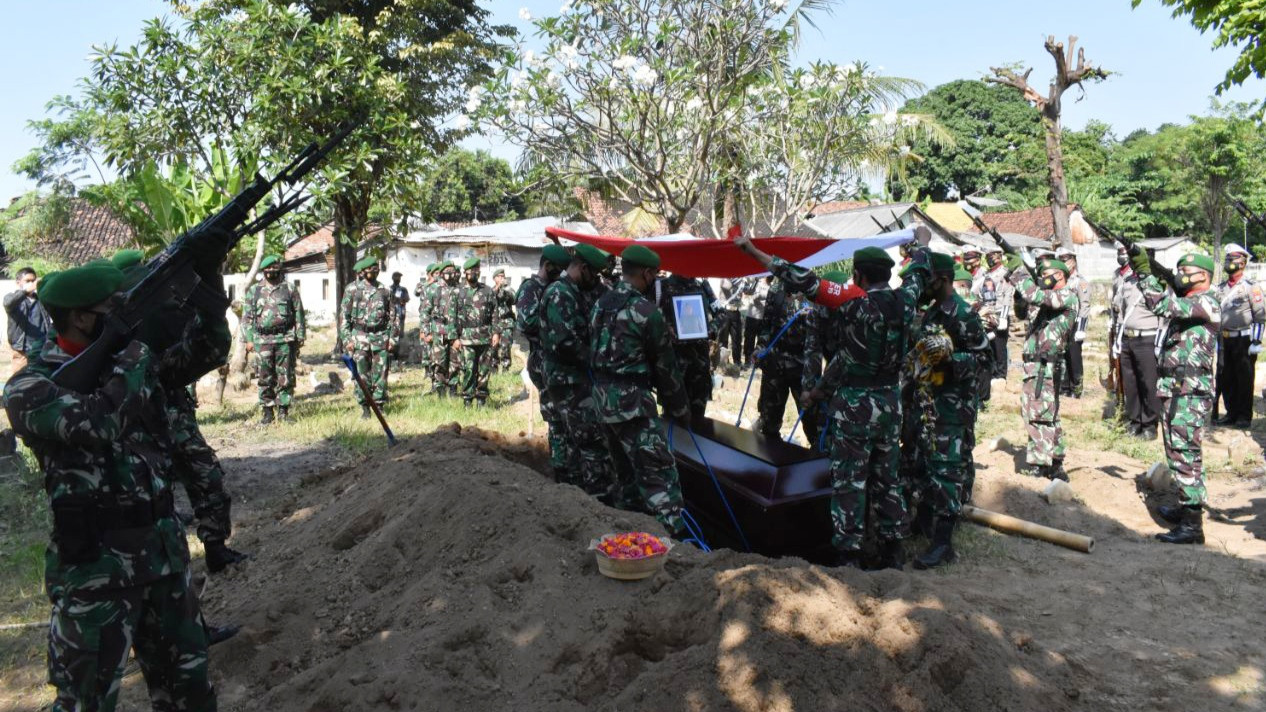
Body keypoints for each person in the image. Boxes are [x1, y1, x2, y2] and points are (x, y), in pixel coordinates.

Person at [5, 261, 225, 711]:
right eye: (114, 306)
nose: (126, 313)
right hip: (96, 573)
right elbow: (100, 421)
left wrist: (209, 289)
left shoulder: (133, 363)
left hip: (163, 560)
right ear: (84, 318)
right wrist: (135, 349)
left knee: (191, 695)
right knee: (87, 701)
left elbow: (204, 353)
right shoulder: (30, 387)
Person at [734, 232, 931, 569]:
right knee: (887, 478)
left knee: (850, 482)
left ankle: (849, 555)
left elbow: (802, 279)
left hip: (855, 406)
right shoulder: (907, 301)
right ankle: (892, 549)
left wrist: (752, 251)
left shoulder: (852, 303)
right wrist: (922, 245)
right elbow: (918, 273)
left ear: (859, 277)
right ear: (888, 274)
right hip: (889, 403)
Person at [112, 248, 250, 574]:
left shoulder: (163, 307)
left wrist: (207, 278)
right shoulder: (113, 326)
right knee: (154, 494)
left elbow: (202, 346)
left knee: (205, 474)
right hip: (133, 416)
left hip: (171, 404)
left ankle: (215, 547)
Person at [590, 245, 691, 536]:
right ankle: (674, 544)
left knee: (625, 478)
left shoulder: (600, 304)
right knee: (660, 477)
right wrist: (681, 409)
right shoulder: (645, 312)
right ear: (647, 274)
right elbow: (666, 368)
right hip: (633, 404)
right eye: (654, 275)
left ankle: (628, 537)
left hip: (603, 402)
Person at [907, 257, 991, 569]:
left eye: (926, 279)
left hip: (953, 406)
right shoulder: (931, 311)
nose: (921, 285)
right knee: (926, 463)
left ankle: (943, 543)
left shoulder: (963, 314)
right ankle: (924, 520)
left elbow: (986, 361)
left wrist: (950, 358)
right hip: (929, 400)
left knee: (947, 470)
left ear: (942, 279)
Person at [1133, 252, 1220, 544]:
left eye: (1186, 270)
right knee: (1177, 451)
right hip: (1176, 388)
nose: (1180, 274)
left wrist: (1145, 273)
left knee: (1185, 454)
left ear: (1203, 276)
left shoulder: (1206, 301)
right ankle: (1186, 508)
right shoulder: (1190, 301)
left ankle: (1193, 527)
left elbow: (1161, 304)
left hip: (1190, 391)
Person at [541, 244, 613, 495]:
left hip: (572, 377)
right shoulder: (560, 293)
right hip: (567, 379)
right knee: (590, 439)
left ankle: (574, 491)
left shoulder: (573, 291)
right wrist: (600, 360)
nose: (594, 281)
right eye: (593, 274)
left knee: (575, 438)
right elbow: (566, 342)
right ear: (582, 268)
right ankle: (596, 494)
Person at [1007, 253, 1077, 480]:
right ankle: (1055, 461)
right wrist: (1019, 294)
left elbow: (1034, 294)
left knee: (1038, 414)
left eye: (1045, 275)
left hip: (1045, 365)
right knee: (1047, 414)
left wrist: (1018, 271)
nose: (1041, 278)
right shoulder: (1044, 300)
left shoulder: (1066, 296)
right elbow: (1022, 310)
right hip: (1036, 365)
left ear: (1060, 275)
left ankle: (1040, 464)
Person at [518, 245, 573, 472]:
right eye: (558, 270)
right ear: (547, 266)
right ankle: (560, 468)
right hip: (543, 361)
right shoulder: (530, 288)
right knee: (557, 418)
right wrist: (555, 321)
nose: (561, 274)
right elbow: (526, 323)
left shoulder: (559, 288)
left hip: (565, 361)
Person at [241, 254, 306, 423]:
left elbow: (299, 313)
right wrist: (248, 339)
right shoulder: (254, 291)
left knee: (285, 376)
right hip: (263, 340)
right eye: (267, 268)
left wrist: (300, 336)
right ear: (263, 270)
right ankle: (267, 412)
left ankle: (283, 411)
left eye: (274, 267)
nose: (271, 271)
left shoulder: (289, 289)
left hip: (285, 338)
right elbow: (247, 318)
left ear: (279, 268)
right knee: (264, 376)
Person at [1111, 245, 1162, 439]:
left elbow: (1164, 313)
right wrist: (1118, 338)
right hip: (1127, 337)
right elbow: (1122, 311)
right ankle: (1134, 421)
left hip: (1148, 337)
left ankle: (1149, 425)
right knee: (1130, 383)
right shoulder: (1127, 281)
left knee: (1148, 383)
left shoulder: (1156, 282)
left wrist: (1160, 342)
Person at [754, 276, 814, 442]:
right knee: (769, 423)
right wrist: (760, 347)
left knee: (813, 422)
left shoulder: (812, 287)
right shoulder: (776, 290)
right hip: (775, 364)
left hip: (803, 367)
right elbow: (766, 325)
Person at [339, 256, 398, 417]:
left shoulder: (385, 291)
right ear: (363, 271)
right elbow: (344, 316)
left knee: (381, 373)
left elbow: (393, 317)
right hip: (359, 337)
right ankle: (365, 406)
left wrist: (393, 338)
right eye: (370, 269)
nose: (373, 272)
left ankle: (379, 405)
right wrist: (347, 339)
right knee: (361, 373)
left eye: (376, 269)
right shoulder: (352, 289)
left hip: (380, 337)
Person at [1214, 243, 1265, 427]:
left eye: (1232, 259)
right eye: (1227, 259)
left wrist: (1257, 341)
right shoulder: (1220, 288)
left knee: (1244, 379)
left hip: (1244, 340)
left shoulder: (1251, 287)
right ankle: (1231, 413)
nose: (1229, 262)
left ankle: (1244, 416)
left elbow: (1260, 315)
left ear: (1242, 263)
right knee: (1227, 378)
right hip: (1225, 339)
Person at [657, 273, 717, 421]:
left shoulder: (703, 285)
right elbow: (651, 317)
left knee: (698, 418)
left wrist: (710, 330)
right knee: (673, 417)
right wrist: (667, 329)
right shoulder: (660, 286)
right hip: (674, 366)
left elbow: (721, 313)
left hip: (700, 365)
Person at [452, 257, 499, 407]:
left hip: (485, 337)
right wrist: (455, 338)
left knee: (484, 369)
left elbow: (495, 313)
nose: (473, 273)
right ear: (465, 272)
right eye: (470, 271)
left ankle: (481, 399)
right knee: (468, 369)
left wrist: (496, 333)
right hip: (466, 338)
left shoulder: (487, 291)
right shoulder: (458, 292)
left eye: (476, 270)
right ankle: (467, 399)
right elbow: (452, 316)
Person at [4, 266, 50, 375]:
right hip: (21, 350)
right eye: (27, 281)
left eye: (33, 280)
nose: (31, 283)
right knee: (20, 378)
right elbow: (8, 303)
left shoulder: (41, 300)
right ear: (18, 282)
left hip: (41, 347)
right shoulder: (12, 299)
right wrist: (25, 291)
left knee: (40, 378)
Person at [1057, 249, 1090, 399]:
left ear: (1074, 260)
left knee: (1074, 357)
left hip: (1075, 323)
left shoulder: (1079, 281)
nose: (1065, 263)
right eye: (1062, 260)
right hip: (1062, 322)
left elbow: (1085, 305)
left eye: (1067, 259)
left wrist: (1081, 328)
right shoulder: (1061, 280)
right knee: (1062, 355)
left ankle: (1076, 387)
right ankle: (1064, 387)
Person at [430, 261, 462, 397]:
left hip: (455, 332)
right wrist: (426, 331)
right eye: (447, 270)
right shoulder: (433, 289)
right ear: (442, 273)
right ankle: (440, 389)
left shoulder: (460, 289)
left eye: (452, 270)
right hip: (439, 331)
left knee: (455, 361)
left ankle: (453, 387)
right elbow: (425, 311)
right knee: (439, 361)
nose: (451, 273)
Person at [980, 249, 1013, 379]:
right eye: (987, 256)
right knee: (989, 346)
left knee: (999, 347)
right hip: (987, 314)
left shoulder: (1005, 273)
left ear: (999, 256)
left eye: (992, 256)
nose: (990, 259)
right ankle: (992, 373)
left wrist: (1004, 317)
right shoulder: (986, 274)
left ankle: (1001, 375)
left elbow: (1008, 294)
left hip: (1000, 313)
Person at [416, 263, 440, 388]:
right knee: (427, 347)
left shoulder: (440, 287)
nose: (438, 275)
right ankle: (428, 371)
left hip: (437, 323)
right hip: (426, 320)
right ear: (429, 274)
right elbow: (417, 292)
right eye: (435, 273)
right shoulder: (427, 287)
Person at [739, 277, 769, 364]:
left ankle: (759, 361)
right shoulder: (757, 281)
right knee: (749, 340)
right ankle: (748, 360)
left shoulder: (772, 285)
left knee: (761, 341)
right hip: (752, 316)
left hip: (763, 317)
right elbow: (748, 292)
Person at [492, 268, 516, 371]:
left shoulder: (509, 289)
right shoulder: (491, 290)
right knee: (494, 346)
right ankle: (494, 366)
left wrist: (505, 291)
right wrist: (497, 288)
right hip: (495, 323)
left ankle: (506, 366)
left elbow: (514, 299)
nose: (502, 278)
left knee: (506, 345)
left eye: (503, 276)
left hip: (507, 322)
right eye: (499, 276)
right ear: (494, 278)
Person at [717, 278, 744, 366]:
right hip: (725, 311)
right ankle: (723, 362)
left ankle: (737, 362)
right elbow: (726, 287)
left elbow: (749, 292)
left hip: (736, 311)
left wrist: (753, 282)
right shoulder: (725, 277)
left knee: (737, 339)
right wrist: (738, 280)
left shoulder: (741, 279)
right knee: (723, 339)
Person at [389, 271, 410, 358]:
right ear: (393, 278)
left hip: (401, 314)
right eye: (396, 278)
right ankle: (392, 352)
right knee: (392, 333)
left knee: (400, 334)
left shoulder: (403, 289)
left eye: (399, 278)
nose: (398, 279)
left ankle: (398, 354)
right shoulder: (389, 289)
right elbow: (389, 299)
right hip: (391, 316)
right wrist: (396, 299)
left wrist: (399, 300)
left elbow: (406, 299)